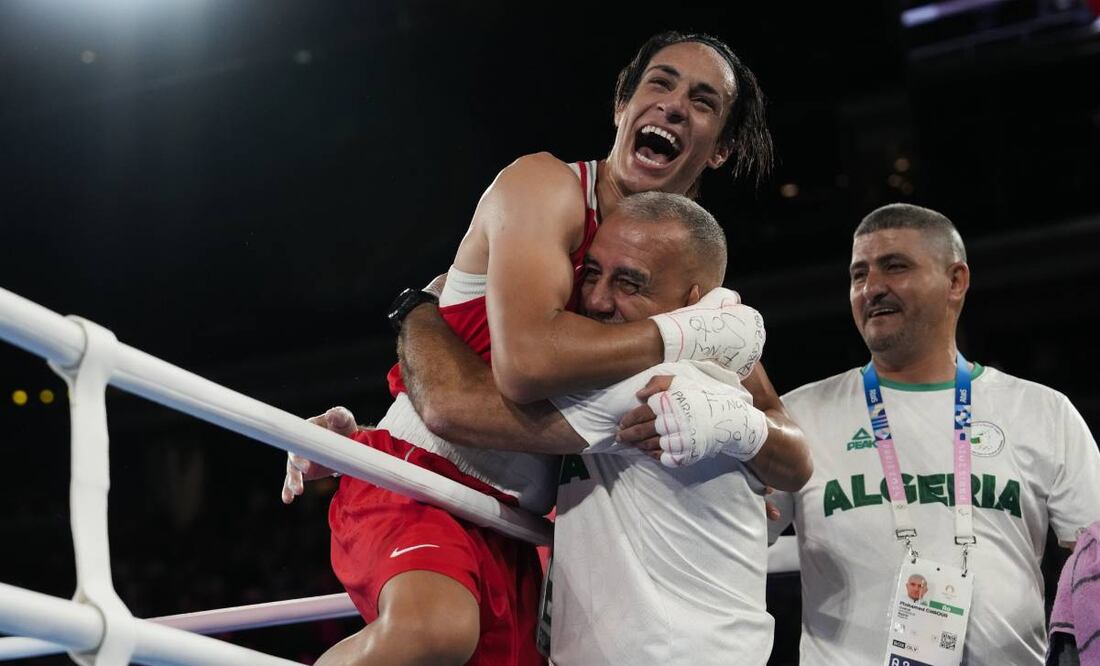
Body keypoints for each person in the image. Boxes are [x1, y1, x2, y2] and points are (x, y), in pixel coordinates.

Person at [286, 31, 806, 666]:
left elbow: (785, 441)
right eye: (659, 83)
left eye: (701, 101)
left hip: (518, 530)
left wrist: (736, 429)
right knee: (430, 636)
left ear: (720, 148)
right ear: (623, 105)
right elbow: (525, 364)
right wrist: (681, 335)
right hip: (419, 483)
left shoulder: (685, 282)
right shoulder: (545, 187)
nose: (672, 105)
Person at [389, 191, 811, 665]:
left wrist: (416, 308)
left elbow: (452, 406)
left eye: (630, 284)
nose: (595, 299)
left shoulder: (651, 384)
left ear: (693, 302)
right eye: (591, 273)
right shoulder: (675, 373)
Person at [760, 203, 1100, 665]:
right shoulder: (799, 415)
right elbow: (735, 533)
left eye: (894, 266)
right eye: (859, 274)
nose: (872, 288)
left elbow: (1094, 562)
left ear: (955, 281)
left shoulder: (1043, 412)